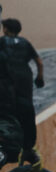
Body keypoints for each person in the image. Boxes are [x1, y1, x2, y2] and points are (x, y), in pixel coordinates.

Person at [0, 18, 44, 156]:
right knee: (27, 110)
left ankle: (11, 146)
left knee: (9, 113)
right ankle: (28, 147)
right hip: (25, 79)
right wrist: (40, 78)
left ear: (5, 29)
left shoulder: (2, 42)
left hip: (7, 82)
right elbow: (39, 62)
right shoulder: (25, 42)